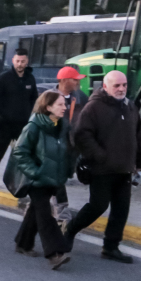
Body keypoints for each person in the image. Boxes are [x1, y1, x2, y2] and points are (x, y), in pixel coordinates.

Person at [63, 70, 141, 263]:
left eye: (124, 85)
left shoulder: (130, 107)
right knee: (97, 206)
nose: (121, 89)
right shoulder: (94, 107)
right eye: (117, 85)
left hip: (124, 169)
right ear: (106, 86)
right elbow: (81, 135)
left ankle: (111, 247)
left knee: (121, 210)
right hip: (102, 169)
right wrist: (100, 155)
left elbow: (139, 137)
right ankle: (70, 230)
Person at [3, 90, 74, 269]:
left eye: (64, 104)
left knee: (35, 211)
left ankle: (23, 243)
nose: (64, 107)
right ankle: (55, 253)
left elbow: (66, 151)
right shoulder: (33, 126)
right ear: (48, 107)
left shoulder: (61, 126)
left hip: (54, 177)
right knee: (44, 215)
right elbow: (19, 151)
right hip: (37, 179)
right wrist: (36, 172)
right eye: (60, 104)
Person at [0, 48, 37, 188]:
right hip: (4, 123)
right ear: (13, 61)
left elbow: (34, 98)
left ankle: (21, 179)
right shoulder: (4, 78)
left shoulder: (30, 78)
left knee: (24, 151)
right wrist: (4, 113)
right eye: (17, 61)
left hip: (23, 123)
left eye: (23, 61)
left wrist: (29, 114)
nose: (20, 64)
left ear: (27, 62)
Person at [53, 65, 89, 220]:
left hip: (72, 146)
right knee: (57, 178)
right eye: (74, 79)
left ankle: (37, 211)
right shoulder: (49, 97)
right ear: (64, 80)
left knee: (63, 176)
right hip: (53, 147)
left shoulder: (80, 97)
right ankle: (62, 213)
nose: (77, 82)